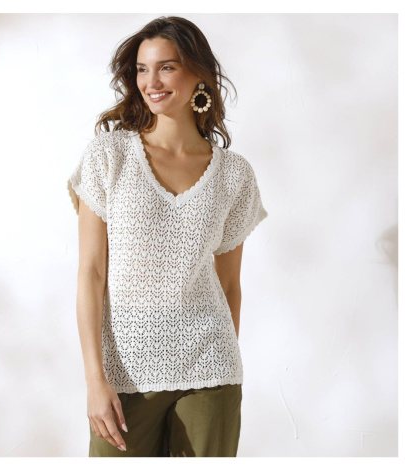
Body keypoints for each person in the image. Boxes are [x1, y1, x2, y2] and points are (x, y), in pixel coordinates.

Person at [67, 16, 268, 457]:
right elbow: (91, 273)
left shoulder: (234, 175)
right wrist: (94, 379)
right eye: (142, 69)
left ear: (199, 74)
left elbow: (230, 285)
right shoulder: (109, 156)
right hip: (124, 373)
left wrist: (219, 362)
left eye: (166, 67)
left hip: (210, 369)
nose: (151, 82)